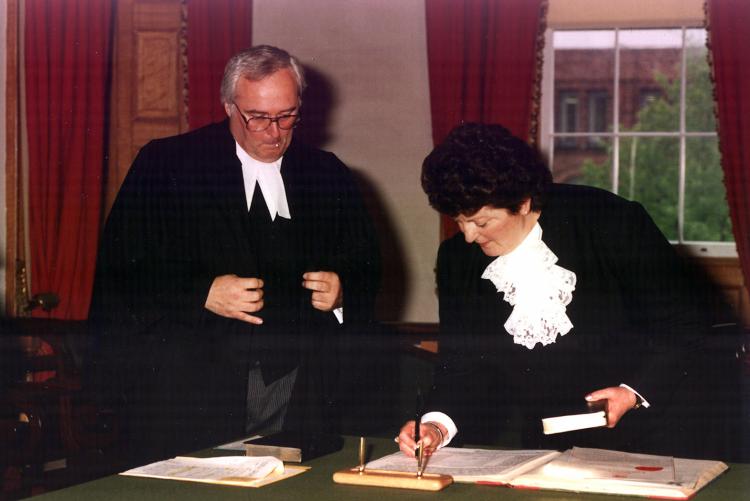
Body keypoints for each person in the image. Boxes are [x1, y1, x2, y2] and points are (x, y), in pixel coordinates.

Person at [89, 45, 380, 461]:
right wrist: (199, 292)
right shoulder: (167, 164)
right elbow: (121, 270)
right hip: (193, 381)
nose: (274, 131)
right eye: (257, 117)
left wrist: (343, 288)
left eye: (287, 115)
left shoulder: (326, 172)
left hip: (295, 381)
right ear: (228, 106)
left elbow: (366, 264)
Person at [397, 123, 744, 461]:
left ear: (522, 201)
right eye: (459, 221)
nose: (470, 236)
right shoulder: (459, 260)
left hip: (663, 433)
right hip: (551, 453)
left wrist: (633, 392)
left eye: (481, 222)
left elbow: (686, 327)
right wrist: (436, 426)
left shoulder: (610, 223)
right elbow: (460, 367)